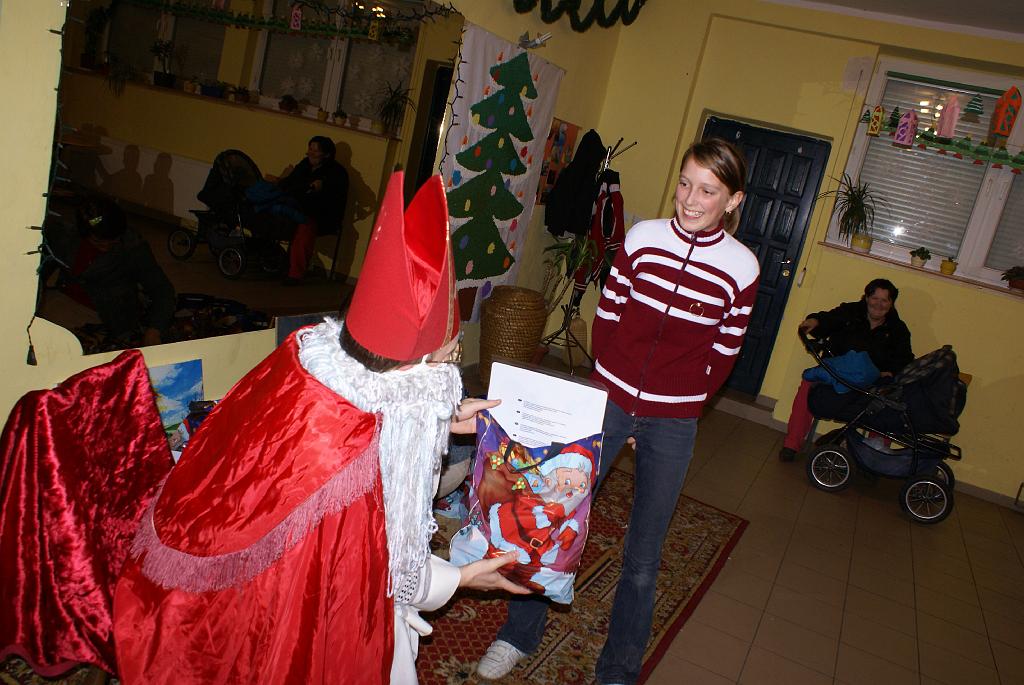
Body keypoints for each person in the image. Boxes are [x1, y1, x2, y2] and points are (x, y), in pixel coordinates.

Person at [113, 173, 527, 685]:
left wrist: (443, 417)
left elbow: (391, 408)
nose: (451, 373)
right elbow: (391, 573)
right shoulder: (349, 454)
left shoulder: (313, 365)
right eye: (446, 359)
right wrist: (462, 578)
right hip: (283, 612)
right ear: (409, 374)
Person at [477, 138, 760, 685]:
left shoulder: (742, 267)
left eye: (708, 191)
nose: (690, 199)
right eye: (685, 183)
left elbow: (725, 351)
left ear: (733, 200)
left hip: (674, 419)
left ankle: (618, 672)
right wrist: (614, 388)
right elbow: (609, 315)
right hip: (608, 400)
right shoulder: (643, 238)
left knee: (643, 556)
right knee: (550, 518)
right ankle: (518, 635)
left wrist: (676, 404)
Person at [778, 277, 913, 461]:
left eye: (884, 300)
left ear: (891, 303)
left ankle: (875, 458)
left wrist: (889, 372)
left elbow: (904, 359)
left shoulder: (898, 329)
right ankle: (792, 444)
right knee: (809, 383)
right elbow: (827, 319)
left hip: (870, 385)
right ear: (866, 298)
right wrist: (814, 321)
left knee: (889, 400)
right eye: (875, 298)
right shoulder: (850, 312)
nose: (878, 304)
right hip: (837, 374)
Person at [43, 194, 175, 347]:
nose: (105, 248)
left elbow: (162, 290)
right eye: (98, 242)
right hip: (65, 298)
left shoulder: (132, 246)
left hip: (109, 314)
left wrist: (155, 330)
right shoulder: (63, 235)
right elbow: (39, 274)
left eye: (112, 243)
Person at [268, 135, 349, 284]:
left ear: (327, 154)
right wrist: (278, 183)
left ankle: (295, 274)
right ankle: (270, 259)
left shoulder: (336, 172)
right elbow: (291, 182)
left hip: (321, 215)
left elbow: (330, 199)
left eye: (315, 151)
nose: (310, 153)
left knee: (305, 225)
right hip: (297, 208)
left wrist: (318, 187)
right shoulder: (305, 164)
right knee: (271, 212)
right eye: (310, 149)